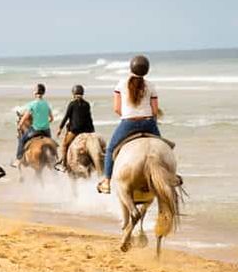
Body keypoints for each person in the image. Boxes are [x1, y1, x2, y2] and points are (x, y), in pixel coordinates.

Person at [96, 55, 161, 194]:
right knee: (163, 148)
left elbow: (116, 109)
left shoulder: (121, 84)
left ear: (131, 67)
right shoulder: (151, 85)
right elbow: (155, 110)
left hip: (128, 123)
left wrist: (129, 116)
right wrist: (151, 121)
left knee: (110, 150)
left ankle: (107, 181)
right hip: (149, 122)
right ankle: (171, 176)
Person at [13, 83, 54, 167]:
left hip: (35, 130)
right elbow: (51, 118)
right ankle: (54, 160)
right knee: (52, 144)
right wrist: (45, 123)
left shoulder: (32, 104)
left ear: (35, 92)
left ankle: (18, 159)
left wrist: (19, 125)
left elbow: (25, 117)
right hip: (46, 131)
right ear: (43, 93)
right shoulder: (46, 104)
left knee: (22, 140)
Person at [56, 84, 95, 169]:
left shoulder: (72, 104)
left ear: (73, 94)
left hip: (75, 131)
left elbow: (66, 117)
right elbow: (89, 118)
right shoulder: (87, 104)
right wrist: (92, 131)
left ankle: (64, 164)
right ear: (82, 93)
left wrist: (60, 128)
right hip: (86, 130)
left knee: (65, 145)